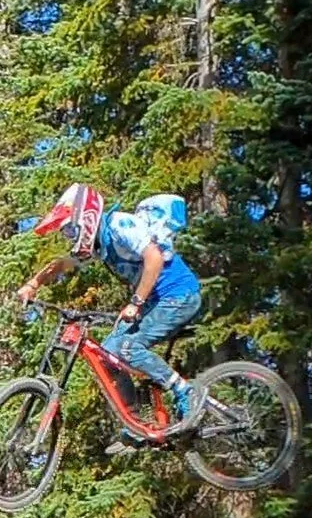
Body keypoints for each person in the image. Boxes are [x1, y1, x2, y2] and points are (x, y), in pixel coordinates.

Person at [17, 184, 202, 438]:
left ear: (86, 217)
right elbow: (62, 264)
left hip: (179, 296)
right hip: (156, 302)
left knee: (126, 347)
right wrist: (33, 284)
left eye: (71, 229)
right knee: (108, 354)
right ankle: (137, 423)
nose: (70, 237)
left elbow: (155, 258)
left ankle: (187, 392)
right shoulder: (99, 244)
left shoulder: (119, 225)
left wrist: (135, 303)